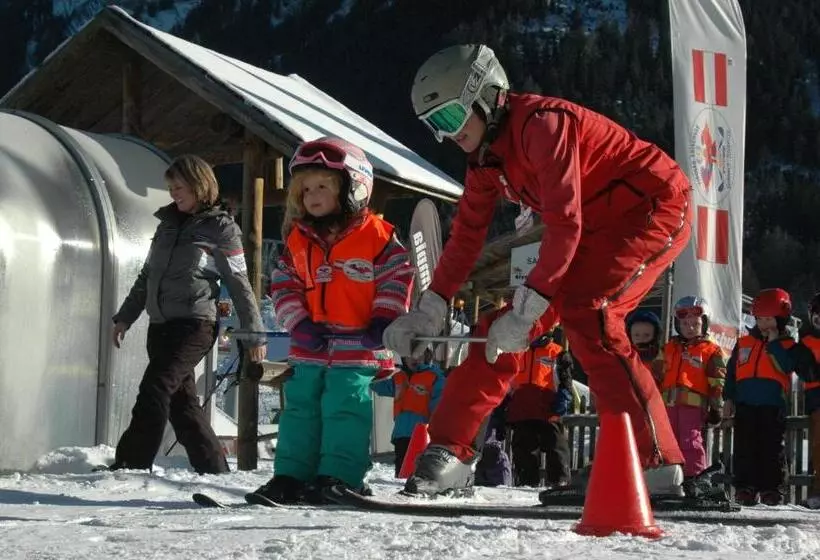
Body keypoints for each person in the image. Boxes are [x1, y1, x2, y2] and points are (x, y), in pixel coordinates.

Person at [383, 44, 692, 497]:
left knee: (593, 314)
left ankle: (653, 463)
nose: (447, 135)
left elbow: (564, 223)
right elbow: (467, 236)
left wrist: (529, 312)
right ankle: (451, 449)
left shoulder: (543, 125)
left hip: (651, 205)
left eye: (449, 119)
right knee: (492, 331)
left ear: (486, 96)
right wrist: (431, 306)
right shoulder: (486, 162)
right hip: (592, 224)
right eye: (435, 127)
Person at [252, 137, 413, 504]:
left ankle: (339, 475)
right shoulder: (298, 239)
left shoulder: (378, 236)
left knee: (344, 407)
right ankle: (291, 475)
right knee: (299, 409)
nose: (312, 195)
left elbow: (397, 275)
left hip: (359, 343)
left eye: (323, 186)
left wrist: (385, 318)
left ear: (354, 187)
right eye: (306, 189)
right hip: (311, 343)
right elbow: (283, 283)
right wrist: (298, 323)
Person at [110, 154, 267, 474]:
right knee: (182, 406)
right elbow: (146, 276)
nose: (173, 193)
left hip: (195, 326)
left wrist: (253, 333)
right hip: (160, 326)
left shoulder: (221, 229)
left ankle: (131, 464)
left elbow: (239, 283)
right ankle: (214, 470)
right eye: (171, 187)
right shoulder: (167, 224)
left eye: (179, 186)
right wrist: (124, 317)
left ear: (199, 185)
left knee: (155, 387)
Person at [723, 288, 800, 506]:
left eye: (769, 319)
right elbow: (731, 374)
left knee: (771, 448)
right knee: (744, 447)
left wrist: (775, 343)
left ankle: (771, 489)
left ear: (780, 319)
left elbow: (787, 367)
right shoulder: (744, 343)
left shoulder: (787, 345)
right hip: (745, 404)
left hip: (772, 405)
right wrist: (729, 398)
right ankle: (745, 487)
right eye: (760, 319)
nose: (764, 324)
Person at [658, 296, 726, 479]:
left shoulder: (711, 350)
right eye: (684, 324)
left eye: (694, 324)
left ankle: (694, 478)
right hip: (667, 405)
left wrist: (716, 406)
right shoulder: (668, 348)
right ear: (677, 325)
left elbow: (717, 380)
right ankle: (669, 477)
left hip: (693, 406)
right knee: (667, 441)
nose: (689, 328)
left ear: (703, 324)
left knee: (690, 441)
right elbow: (656, 375)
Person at [507, 331, 573, 488]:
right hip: (522, 407)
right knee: (523, 448)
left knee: (556, 445)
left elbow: (566, 380)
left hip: (548, 407)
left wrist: (563, 399)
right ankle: (526, 482)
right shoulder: (516, 350)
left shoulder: (557, 352)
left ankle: (559, 482)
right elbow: (507, 381)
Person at [371, 349, 446, 477]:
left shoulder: (434, 377)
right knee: (401, 470)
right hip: (400, 433)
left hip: (422, 435)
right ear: (404, 358)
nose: (414, 359)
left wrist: (437, 429)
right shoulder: (399, 378)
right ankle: (399, 490)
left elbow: (438, 406)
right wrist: (375, 371)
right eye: (409, 356)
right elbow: (377, 385)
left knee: (418, 470)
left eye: (419, 354)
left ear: (427, 356)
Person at [797, 293, 820, 508]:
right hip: (817, 401)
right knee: (818, 445)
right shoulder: (806, 341)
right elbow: (806, 369)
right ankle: (818, 490)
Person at [626, 310, 664, 384]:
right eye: (636, 335)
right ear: (630, 335)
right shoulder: (624, 357)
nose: (641, 339)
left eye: (646, 335)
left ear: (655, 336)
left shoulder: (662, 358)